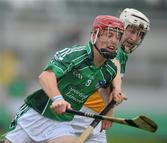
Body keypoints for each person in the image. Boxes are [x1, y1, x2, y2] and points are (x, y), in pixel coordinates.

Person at [4, 15, 124, 143]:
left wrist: (108, 113)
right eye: (109, 35)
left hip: (61, 123)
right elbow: (46, 76)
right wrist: (58, 99)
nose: (114, 41)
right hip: (35, 115)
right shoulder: (74, 55)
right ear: (96, 34)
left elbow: (105, 89)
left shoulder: (110, 70)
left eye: (118, 37)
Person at [71, 8, 150, 143]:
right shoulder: (111, 50)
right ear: (121, 27)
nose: (134, 38)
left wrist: (108, 108)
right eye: (131, 31)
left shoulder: (123, 54)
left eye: (140, 34)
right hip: (79, 112)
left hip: (96, 114)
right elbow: (112, 68)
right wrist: (110, 107)